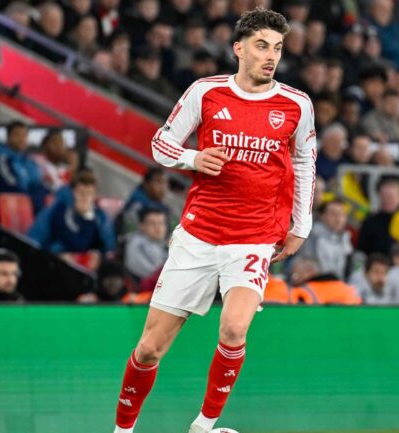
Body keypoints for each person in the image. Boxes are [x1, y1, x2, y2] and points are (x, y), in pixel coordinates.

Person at [112, 9, 316, 433]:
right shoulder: (206, 93)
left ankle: (204, 426)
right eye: (262, 45)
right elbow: (160, 143)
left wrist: (301, 226)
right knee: (150, 348)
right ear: (238, 48)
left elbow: (304, 162)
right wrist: (192, 158)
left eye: (277, 48)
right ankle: (123, 430)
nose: (270, 56)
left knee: (235, 325)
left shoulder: (296, 104)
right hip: (198, 236)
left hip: (254, 238)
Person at [28, 171, 116, 265]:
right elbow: (35, 238)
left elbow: (108, 250)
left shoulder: (100, 218)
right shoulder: (57, 210)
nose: (85, 197)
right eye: (81, 193)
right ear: (73, 192)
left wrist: (98, 257)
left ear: (94, 196)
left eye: (89, 193)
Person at [0, 121, 46, 212]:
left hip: (29, 202)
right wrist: (33, 199)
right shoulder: (2, 159)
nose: (21, 139)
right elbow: (8, 186)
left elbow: (37, 184)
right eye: (17, 135)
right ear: (8, 137)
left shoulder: (28, 160)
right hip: (10, 206)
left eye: (24, 136)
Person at [297, 199, 353, 279]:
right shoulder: (312, 236)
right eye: (333, 214)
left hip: (339, 286)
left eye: (342, 214)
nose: (338, 218)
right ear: (322, 216)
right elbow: (306, 263)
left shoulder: (345, 238)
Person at [357, 178, 399, 256]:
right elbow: (362, 251)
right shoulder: (370, 223)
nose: (387, 200)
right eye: (384, 196)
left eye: (391, 196)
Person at [119, 167, 173, 234]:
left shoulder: (163, 207)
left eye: (165, 183)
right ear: (146, 184)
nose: (163, 187)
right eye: (158, 182)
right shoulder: (136, 206)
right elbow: (129, 234)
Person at [123, 208, 168, 280]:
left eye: (161, 223)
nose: (158, 227)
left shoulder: (164, 244)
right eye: (152, 223)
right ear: (142, 226)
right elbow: (150, 275)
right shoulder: (136, 245)